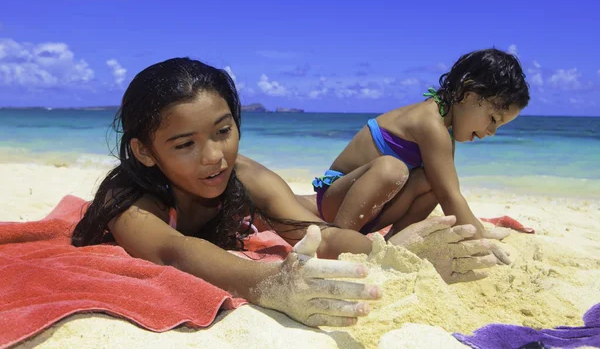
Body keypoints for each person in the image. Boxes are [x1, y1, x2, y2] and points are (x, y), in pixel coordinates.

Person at [72, 57, 510, 328]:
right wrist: (274, 284)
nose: (213, 157)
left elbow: (319, 234)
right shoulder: (127, 203)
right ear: (144, 152)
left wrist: (392, 253)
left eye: (223, 131)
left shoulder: (244, 175)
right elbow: (175, 252)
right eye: (185, 144)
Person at [310, 48, 530, 240]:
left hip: (370, 211)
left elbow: (447, 190)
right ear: (468, 96)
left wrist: (477, 227)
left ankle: (395, 240)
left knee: (432, 181)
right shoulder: (430, 122)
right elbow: (450, 197)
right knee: (391, 169)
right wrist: (478, 235)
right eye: (493, 119)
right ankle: (338, 237)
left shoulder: (445, 129)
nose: (491, 132)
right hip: (337, 201)